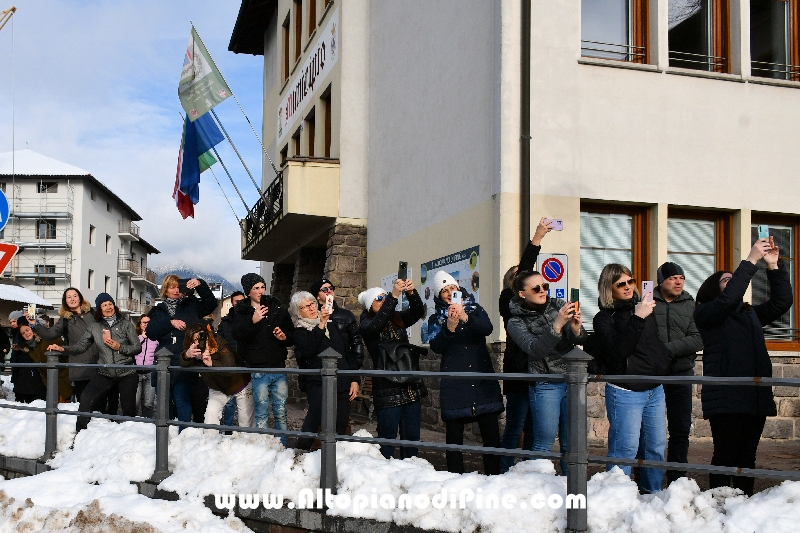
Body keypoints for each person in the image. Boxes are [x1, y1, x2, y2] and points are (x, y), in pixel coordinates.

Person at [694, 237, 792, 496]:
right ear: (712, 290)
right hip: (726, 397)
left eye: (733, 278)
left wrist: (773, 266)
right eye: (726, 279)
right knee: (726, 456)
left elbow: (783, 303)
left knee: (747, 458)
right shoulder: (707, 314)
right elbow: (727, 301)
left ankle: (745, 504)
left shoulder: (750, 314)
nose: (733, 281)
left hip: (753, 395)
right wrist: (750, 260)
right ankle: (720, 502)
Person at [593, 263, 671, 494]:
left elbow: (654, 344)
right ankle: (617, 498)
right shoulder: (604, 318)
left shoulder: (644, 308)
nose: (628, 287)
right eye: (621, 284)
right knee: (624, 449)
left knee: (655, 447)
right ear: (609, 288)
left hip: (654, 387)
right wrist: (637, 318)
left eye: (630, 281)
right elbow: (619, 351)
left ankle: (652, 495)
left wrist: (663, 362)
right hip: (626, 389)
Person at [507, 270, 586, 475]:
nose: (542, 291)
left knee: (572, 442)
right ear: (522, 293)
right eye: (536, 288)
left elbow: (577, 340)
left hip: (571, 379)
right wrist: (557, 325)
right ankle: (537, 488)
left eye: (544, 286)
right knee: (544, 441)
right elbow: (534, 350)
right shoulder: (515, 322)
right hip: (545, 383)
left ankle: (574, 490)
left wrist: (576, 329)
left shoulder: (558, 305)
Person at [429, 271, 504, 475]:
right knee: (454, 436)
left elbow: (487, 328)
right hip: (455, 382)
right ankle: (456, 477)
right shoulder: (436, 318)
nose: (449, 292)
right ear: (439, 296)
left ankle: (494, 476)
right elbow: (436, 346)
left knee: (490, 433)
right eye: (444, 291)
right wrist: (449, 328)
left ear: (459, 290)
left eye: (452, 288)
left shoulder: (475, 308)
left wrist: (465, 317)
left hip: (481, 377)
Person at [498, 217, 553, 472]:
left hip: (538, 374)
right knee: (515, 427)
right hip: (520, 374)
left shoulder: (537, 306)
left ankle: (530, 474)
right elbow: (524, 271)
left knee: (534, 428)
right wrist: (537, 239)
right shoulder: (508, 303)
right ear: (516, 287)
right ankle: (503, 472)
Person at [47, 293, 141, 432]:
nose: (108, 307)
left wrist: (119, 347)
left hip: (126, 372)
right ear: (99, 309)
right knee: (86, 397)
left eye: (110, 304)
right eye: (104, 305)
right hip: (105, 372)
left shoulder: (126, 324)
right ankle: (80, 432)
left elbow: (137, 348)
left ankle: (130, 439)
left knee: (128, 408)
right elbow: (80, 347)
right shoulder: (94, 326)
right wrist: (61, 348)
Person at [358, 280, 426, 459]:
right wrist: (393, 296)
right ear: (369, 306)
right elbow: (375, 326)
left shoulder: (397, 319)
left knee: (411, 439)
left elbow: (418, 311)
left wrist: (411, 293)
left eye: (384, 296)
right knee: (387, 440)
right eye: (378, 298)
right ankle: (385, 479)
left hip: (409, 385)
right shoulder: (366, 322)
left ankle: (410, 474)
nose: (384, 299)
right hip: (387, 390)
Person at [651, 262, 703, 484]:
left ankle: (677, 479)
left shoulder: (690, 305)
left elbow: (698, 338)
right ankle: (646, 476)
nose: (678, 281)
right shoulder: (647, 302)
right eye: (673, 278)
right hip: (652, 374)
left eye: (681, 277)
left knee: (680, 429)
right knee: (649, 431)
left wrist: (666, 351)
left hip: (681, 373)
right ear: (661, 281)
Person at [291, 291, 359, 451]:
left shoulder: (332, 325)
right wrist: (320, 324)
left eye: (312, 303)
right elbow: (309, 350)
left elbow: (346, 353)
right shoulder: (299, 331)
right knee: (315, 417)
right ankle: (301, 452)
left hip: (341, 379)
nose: (311, 308)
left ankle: (336, 456)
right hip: (317, 382)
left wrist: (354, 378)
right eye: (306, 306)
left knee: (341, 421)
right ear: (298, 312)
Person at [146, 275, 217, 430]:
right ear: (165, 290)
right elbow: (151, 332)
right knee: (165, 401)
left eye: (178, 287)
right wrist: (170, 323)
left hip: (185, 360)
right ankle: (167, 434)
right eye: (172, 287)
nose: (176, 290)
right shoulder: (158, 310)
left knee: (182, 400)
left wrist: (200, 285)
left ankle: (184, 435)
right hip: (164, 362)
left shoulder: (191, 305)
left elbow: (211, 304)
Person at [231, 273, 294, 445]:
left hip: (278, 366)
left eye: (262, 287)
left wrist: (284, 337)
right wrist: (253, 320)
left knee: (281, 410)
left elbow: (291, 334)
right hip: (258, 368)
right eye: (256, 288)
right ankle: (262, 446)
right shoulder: (241, 311)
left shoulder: (277, 308)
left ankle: (283, 445)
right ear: (248, 292)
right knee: (262, 410)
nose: (260, 291)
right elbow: (237, 335)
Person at [179, 323, 254, 429]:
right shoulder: (194, 352)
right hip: (217, 388)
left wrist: (211, 364)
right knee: (210, 416)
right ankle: (210, 442)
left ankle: (248, 443)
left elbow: (230, 366)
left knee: (245, 422)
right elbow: (182, 363)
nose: (201, 340)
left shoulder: (219, 342)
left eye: (203, 336)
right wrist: (187, 355)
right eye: (195, 339)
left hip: (239, 383)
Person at [32, 287, 98, 403]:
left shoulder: (93, 313)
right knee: (85, 404)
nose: (72, 299)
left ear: (80, 297)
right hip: (80, 369)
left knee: (101, 405)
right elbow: (49, 335)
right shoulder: (65, 320)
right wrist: (35, 325)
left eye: (75, 296)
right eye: (69, 297)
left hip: (99, 365)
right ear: (65, 301)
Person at [310, 278, 365, 371]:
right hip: (319, 367)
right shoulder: (312, 315)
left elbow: (356, 342)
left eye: (331, 288)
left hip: (344, 366)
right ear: (317, 296)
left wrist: (355, 367)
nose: (329, 291)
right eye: (324, 289)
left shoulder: (346, 315)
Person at [10, 317, 56, 403]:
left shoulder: (44, 342)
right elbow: (15, 367)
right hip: (24, 390)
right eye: (23, 333)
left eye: (27, 330)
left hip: (40, 389)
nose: (26, 333)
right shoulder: (21, 349)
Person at [217, 290, 245, 427]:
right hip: (230, 363)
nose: (239, 304)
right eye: (236, 301)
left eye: (242, 301)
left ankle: (246, 430)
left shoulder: (250, 319)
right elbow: (219, 341)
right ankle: (227, 429)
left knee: (247, 401)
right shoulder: (225, 322)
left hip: (246, 364)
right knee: (230, 401)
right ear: (232, 303)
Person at [135, 315, 158, 418]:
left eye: (148, 322)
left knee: (148, 403)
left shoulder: (156, 337)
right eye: (144, 322)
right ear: (140, 325)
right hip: (136, 372)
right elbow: (132, 348)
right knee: (135, 402)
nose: (146, 325)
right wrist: (142, 338)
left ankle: (147, 424)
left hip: (150, 372)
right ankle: (131, 424)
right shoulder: (135, 336)